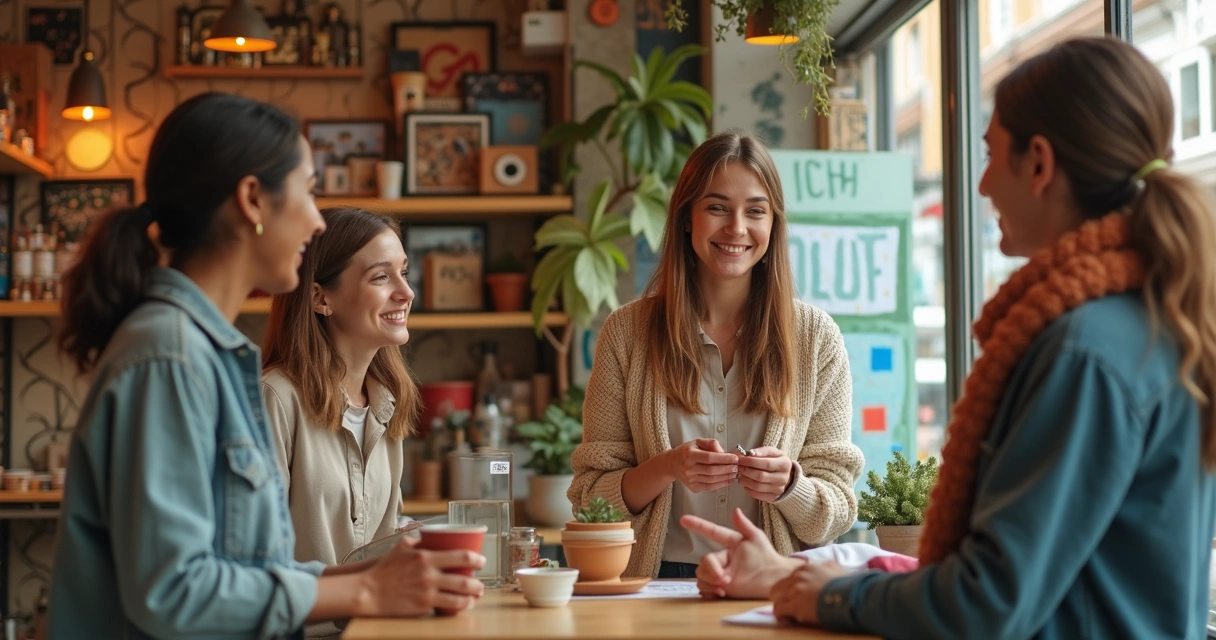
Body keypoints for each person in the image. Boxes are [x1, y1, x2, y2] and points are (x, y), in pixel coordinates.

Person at [682, 37, 1216, 639]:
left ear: (1038, 163)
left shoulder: (1082, 351)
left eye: (989, 155)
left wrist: (827, 592)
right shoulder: (1148, 322)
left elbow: (986, 599)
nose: (982, 185)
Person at [48, 92, 483, 639]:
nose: (317, 223)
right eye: (308, 190)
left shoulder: (207, 354)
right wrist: (366, 589)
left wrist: (382, 571)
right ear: (253, 200)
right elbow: (172, 592)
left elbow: (248, 570)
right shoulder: (169, 359)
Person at [569, 130, 865, 580]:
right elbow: (590, 498)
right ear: (687, 217)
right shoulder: (626, 333)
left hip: (770, 584)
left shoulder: (816, 339)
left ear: (773, 225)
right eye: (717, 207)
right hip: (653, 585)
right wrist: (667, 466)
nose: (737, 228)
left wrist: (790, 486)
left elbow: (838, 510)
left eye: (756, 212)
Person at [261, 207, 419, 638]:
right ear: (320, 298)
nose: (405, 292)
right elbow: (255, 559)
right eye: (381, 277)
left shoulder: (387, 402)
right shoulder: (275, 398)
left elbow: (382, 541)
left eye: (404, 272)